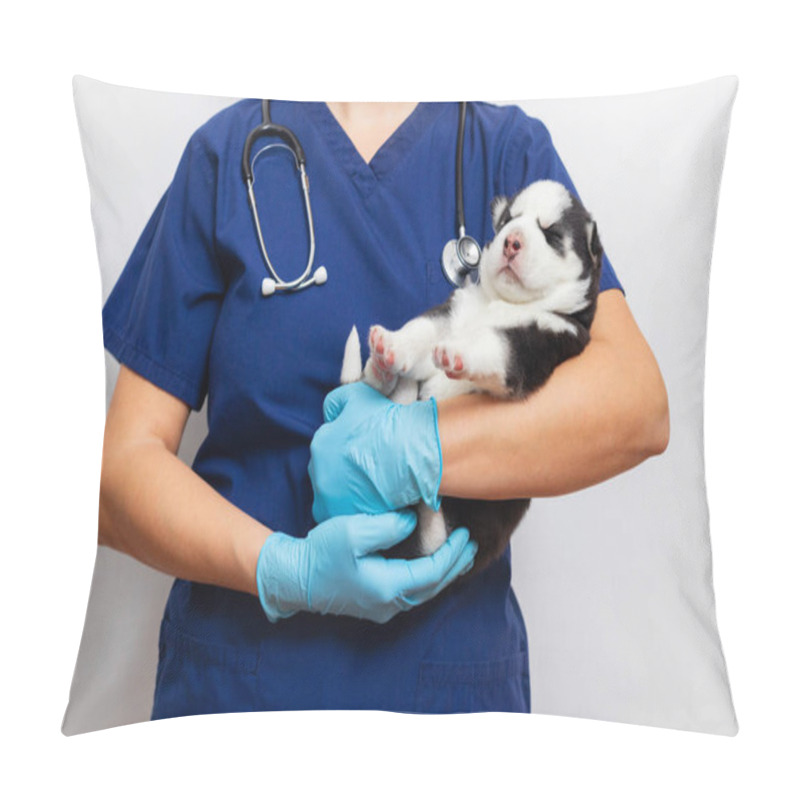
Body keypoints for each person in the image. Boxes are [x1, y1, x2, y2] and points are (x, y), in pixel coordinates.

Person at [100, 100, 669, 718]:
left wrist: (415, 445)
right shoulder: (229, 153)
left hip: (447, 697)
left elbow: (635, 405)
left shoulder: (502, 148)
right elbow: (118, 476)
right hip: (242, 691)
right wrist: (284, 570)